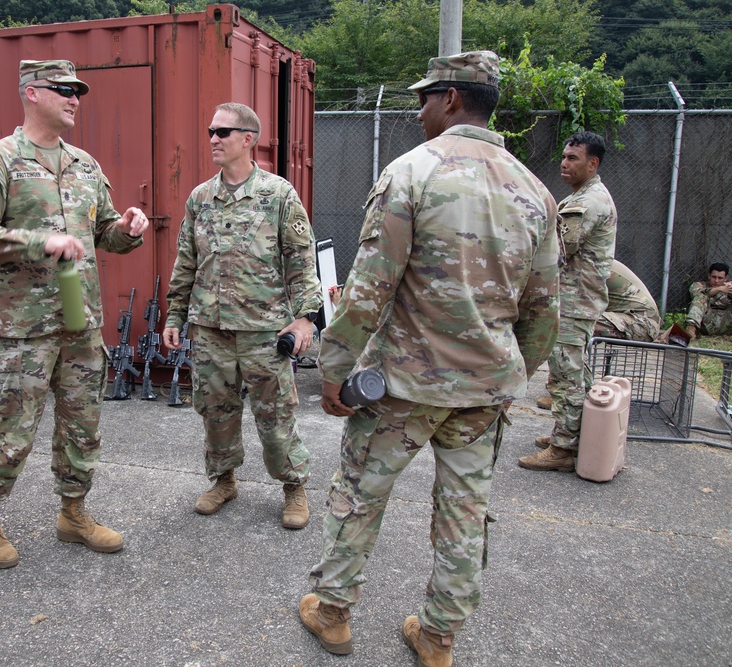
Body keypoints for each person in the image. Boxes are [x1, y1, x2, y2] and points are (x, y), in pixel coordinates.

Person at [298, 52, 559, 667]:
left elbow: (368, 289)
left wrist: (334, 369)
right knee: (465, 511)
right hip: (482, 392)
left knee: (361, 493)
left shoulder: (412, 174)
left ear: (450, 99)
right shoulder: (535, 190)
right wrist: (508, 372)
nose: (418, 112)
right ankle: (438, 638)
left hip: (403, 388)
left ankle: (333, 615)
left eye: (424, 99)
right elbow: (544, 311)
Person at [0, 59, 150, 569]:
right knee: (13, 429)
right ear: (31, 93)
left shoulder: (85, 165)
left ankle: (73, 513)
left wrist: (127, 229)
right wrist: (41, 242)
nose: (74, 98)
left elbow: (104, 231)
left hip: (80, 323)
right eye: (63, 89)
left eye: (78, 91)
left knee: (82, 426)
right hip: (25, 329)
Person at [163, 102, 322, 530]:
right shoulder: (200, 198)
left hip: (264, 330)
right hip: (210, 328)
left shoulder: (278, 195)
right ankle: (224, 480)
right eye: (211, 131)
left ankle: (294, 486)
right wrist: (175, 314)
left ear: (248, 139)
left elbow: (301, 261)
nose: (213, 138)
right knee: (215, 411)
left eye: (223, 132)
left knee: (275, 416)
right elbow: (186, 261)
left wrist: (306, 317)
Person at [519, 131, 618, 473]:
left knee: (566, 375)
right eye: (563, 156)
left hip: (574, 302)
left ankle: (564, 447)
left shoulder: (586, 203)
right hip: (576, 299)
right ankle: (573, 433)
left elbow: (558, 249)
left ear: (593, 163)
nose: (564, 163)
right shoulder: (585, 196)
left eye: (573, 158)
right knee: (575, 371)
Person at [536, 260, 660, 410]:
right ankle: (568, 385)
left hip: (641, 322)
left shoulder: (585, 264)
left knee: (566, 327)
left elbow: (573, 305)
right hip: (631, 316)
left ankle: (573, 393)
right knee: (565, 325)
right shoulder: (588, 257)